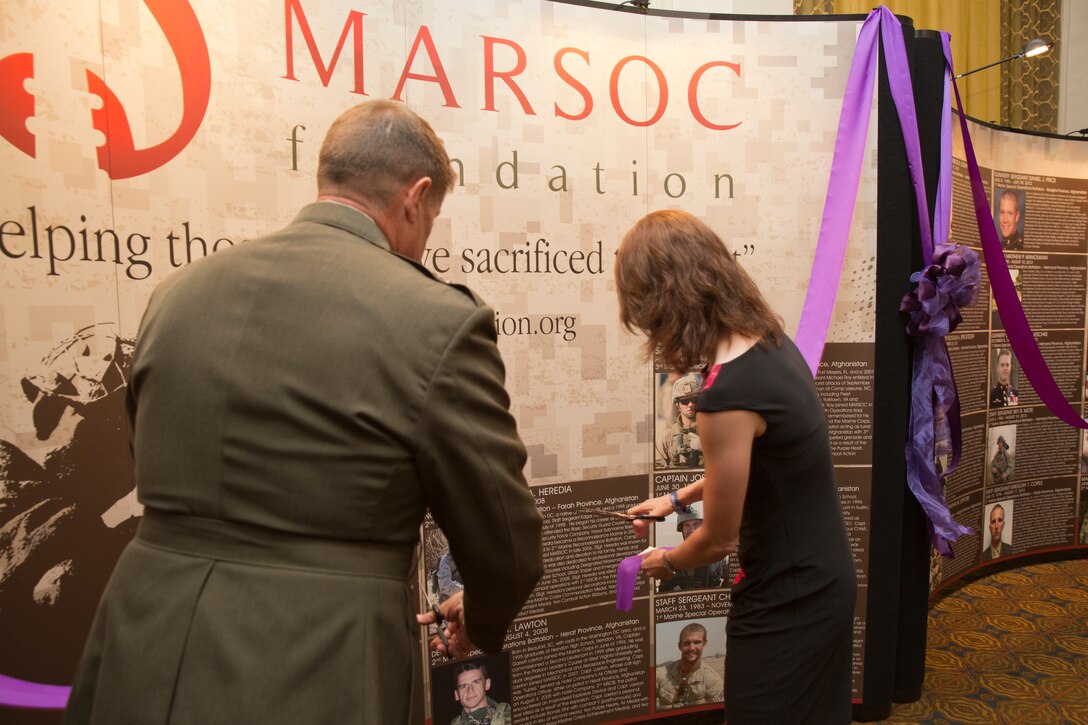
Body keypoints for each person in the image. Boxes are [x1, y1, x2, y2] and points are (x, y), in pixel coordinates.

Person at [63, 101, 543, 724]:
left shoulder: (178, 292)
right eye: (433, 218)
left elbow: (146, 449)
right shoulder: (438, 320)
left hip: (143, 635)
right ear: (416, 196)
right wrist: (480, 617)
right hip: (317, 657)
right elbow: (505, 545)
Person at [618, 210, 855, 723]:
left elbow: (720, 539)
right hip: (820, 578)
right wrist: (678, 499)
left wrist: (668, 560)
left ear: (665, 301)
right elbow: (763, 467)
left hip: (788, 597)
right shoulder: (767, 342)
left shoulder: (725, 394)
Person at [657, 505, 727, 592]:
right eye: (687, 525)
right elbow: (662, 594)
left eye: (696, 524)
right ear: (682, 529)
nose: (692, 530)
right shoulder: (673, 560)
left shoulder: (721, 557)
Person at [655, 623, 724, 710]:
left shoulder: (713, 681)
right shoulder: (661, 675)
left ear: (704, 644)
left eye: (697, 642)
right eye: (687, 643)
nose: (691, 648)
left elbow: (717, 715)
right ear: (680, 645)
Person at [658, 373, 703, 468]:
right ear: (677, 404)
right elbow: (658, 467)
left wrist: (706, 448)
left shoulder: (713, 431)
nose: (690, 404)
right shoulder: (668, 436)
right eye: (685, 401)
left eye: (694, 399)